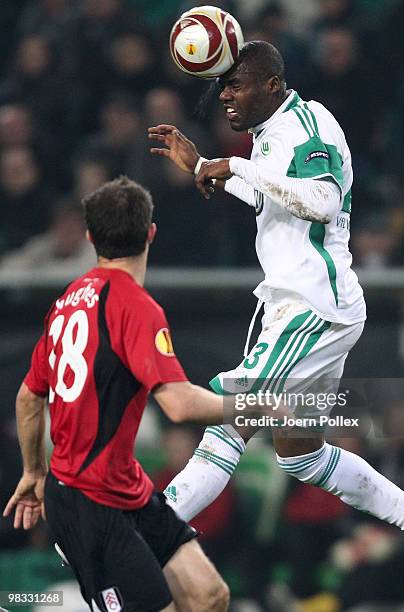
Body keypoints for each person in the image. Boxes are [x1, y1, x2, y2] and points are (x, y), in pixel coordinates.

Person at [148, 41, 404, 604]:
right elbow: (271, 198)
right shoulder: (269, 135)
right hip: (301, 307)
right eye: (221, 85)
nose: (223, 93)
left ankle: (140, 530)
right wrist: (205, 167)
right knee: (300, 453)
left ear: (271, 84)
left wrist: (238, 165)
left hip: (311, 308)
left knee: (228, 422)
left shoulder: (308, 122)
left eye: (236, 84)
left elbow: (321, 201)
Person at [2, 176, 232, 612]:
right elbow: (179, 405)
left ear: (90, 237)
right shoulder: (136, 307)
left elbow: (29, 399)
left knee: (209, 596)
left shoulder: (68, 299)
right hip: (88, 505)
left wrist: (33, 472)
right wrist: (256, 408)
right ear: (151, 233)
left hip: (124, 488)